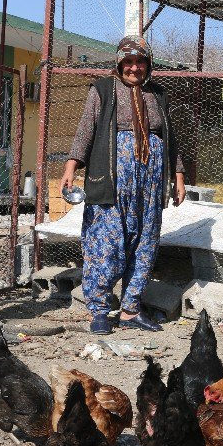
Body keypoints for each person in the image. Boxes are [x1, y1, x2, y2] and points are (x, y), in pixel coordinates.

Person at [60, 35, 186, 335]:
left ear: (148, 64)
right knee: (106, 242)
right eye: (128, 62)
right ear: (119, 63)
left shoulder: (158, 94)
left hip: (151, 181)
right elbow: (85, 129)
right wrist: (71, 166)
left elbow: (170, 138)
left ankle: (131, 309)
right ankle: (100, 309)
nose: (134, 68)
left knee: (145, 241)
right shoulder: (103, 89)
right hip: (112, 177)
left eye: (140, 62)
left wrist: (178, 175)